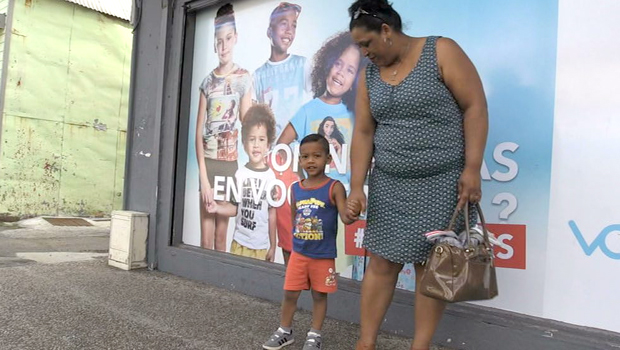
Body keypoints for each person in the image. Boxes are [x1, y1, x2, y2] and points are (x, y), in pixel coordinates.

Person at [345, 1, 489, 350]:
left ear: (386, 31)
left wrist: (472, 169)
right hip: (389, 185)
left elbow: (475, 107)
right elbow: (364, 132)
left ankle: (419, 346)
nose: (364, 53)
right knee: (380, 264)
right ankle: (366, 343)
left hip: (442, 183)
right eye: (359, 47)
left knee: (431, 266)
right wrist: (356, 185)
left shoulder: (441, 50)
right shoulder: (369, 76)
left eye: (367, 44)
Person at [262, 134, 354, 350]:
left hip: (323, 256)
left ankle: (315, 334)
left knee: (319, 295)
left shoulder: (335, 187)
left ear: (328, 159)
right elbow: (295, 217)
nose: (310, 161)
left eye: (316, 156)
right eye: (305, 156)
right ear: (299, 161)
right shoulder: (296, 188)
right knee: (290, 293)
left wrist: (353, 212)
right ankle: (285, 330)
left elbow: (345, 217)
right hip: (299, 254)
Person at [253, 2, 310, 265]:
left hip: (300, 159)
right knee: (278, 225)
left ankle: (300, 281)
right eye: (283, 23)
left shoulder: (303, 65)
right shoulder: (259, 75)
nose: (289, 30)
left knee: (301, 225)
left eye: (294, 25)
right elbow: (258, 120)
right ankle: (287, 283)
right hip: (275, 162)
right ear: (269, 30)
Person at [195, 3, 253, 251]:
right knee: (205, 238)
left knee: (221, 237)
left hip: (229, 163)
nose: (223, 45)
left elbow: (247, 124)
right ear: (214, 42)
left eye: (228, 38)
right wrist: (203, 178)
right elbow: (198, 131)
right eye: (218, 40)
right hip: (209, 163)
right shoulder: (207, 82)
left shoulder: (243, 78)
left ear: (235, 38)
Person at [277, 31, 367, 186]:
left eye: (350, 70)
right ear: (328, 64)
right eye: (338, 63)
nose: (340, 72)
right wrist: (299, 175)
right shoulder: (307, 111)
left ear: (356, 81)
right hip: (312, 199)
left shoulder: (357, 114)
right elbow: (280, 147)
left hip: (346, 198)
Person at [208, 105, 278, 262]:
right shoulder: (239, 174)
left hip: (260, 247)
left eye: (261, 139)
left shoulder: (271, 177)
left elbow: (272, 213)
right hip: (238, 243)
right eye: (252, 139)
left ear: (268, 144)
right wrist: (217, 208)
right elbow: (235, 208)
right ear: (245, 143)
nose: (256, 145)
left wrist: (273, 245)